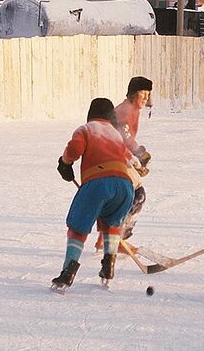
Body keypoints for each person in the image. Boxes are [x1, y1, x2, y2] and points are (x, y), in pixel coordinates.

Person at [52, 98, 136, 292]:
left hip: (98, 183)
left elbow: (74, 149)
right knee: (111, 224)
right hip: (125, 186)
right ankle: (108, 267)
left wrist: (65, 163)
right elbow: (131, 160)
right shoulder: (115, 134)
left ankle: (67, 272)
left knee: (78, 226)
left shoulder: (86, 129)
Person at [114, 76, 154, 241]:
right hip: (114, 157)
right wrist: (133, 158)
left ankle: (111, 237)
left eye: (148, 95)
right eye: (142, 94)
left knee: (131, 195)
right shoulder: (126, 111)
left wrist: (138, 153)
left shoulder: (131, 109)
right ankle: (118, 236)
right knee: (138, 195)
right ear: (132, 94)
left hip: (117, 156)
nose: (145, 98)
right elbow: (120, 138)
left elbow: (126, 138)